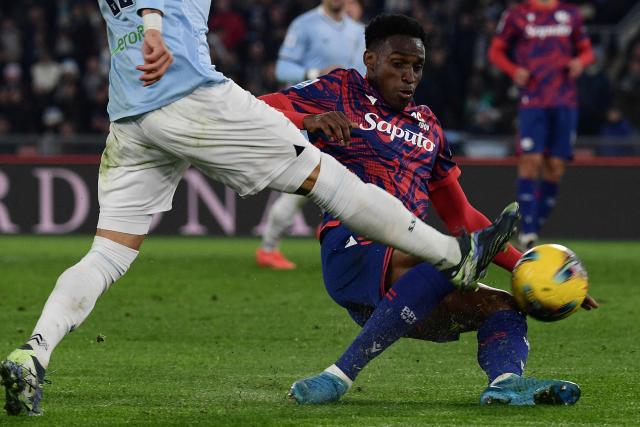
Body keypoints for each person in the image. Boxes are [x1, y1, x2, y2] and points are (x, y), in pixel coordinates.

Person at [0, 1, 518, 417]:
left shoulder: (422, 117)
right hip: (189, 94)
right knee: (334, 181)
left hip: (131, 116)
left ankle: (34, 352)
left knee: (108, 255)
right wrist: (156, 29)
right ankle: (456, 258)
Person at [256, 14, 598, 406]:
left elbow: (462, 215)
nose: (409, 76)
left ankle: (504, 383)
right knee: (447, 259)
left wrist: (527, 269)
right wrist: (308, 118)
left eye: (416, 66)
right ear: (370, 60)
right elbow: (260, 109)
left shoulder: (428, 127)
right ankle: (337, 377)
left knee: (503, 306)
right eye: (397, 64)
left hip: (411, 271)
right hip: (352, 247)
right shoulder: (339, 89)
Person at [257, 0, 366, 270]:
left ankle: (352, 249)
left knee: (349, 186)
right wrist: (317, 73)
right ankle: (269, 248)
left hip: (348, 121)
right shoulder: (304, 25)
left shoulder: (358, 31)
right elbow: (282, 69)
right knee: (305, 184)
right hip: (313, 120)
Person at [488, 0, 594, 250]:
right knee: (530, 160)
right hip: (533, 99)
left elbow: (588, 51)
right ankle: (528, 232)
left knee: (555, 167)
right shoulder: (517, 14)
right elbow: (495, 51)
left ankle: (533, 226)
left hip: (564, 99)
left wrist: (580, 63)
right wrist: (513, 70)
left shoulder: (570, 14)